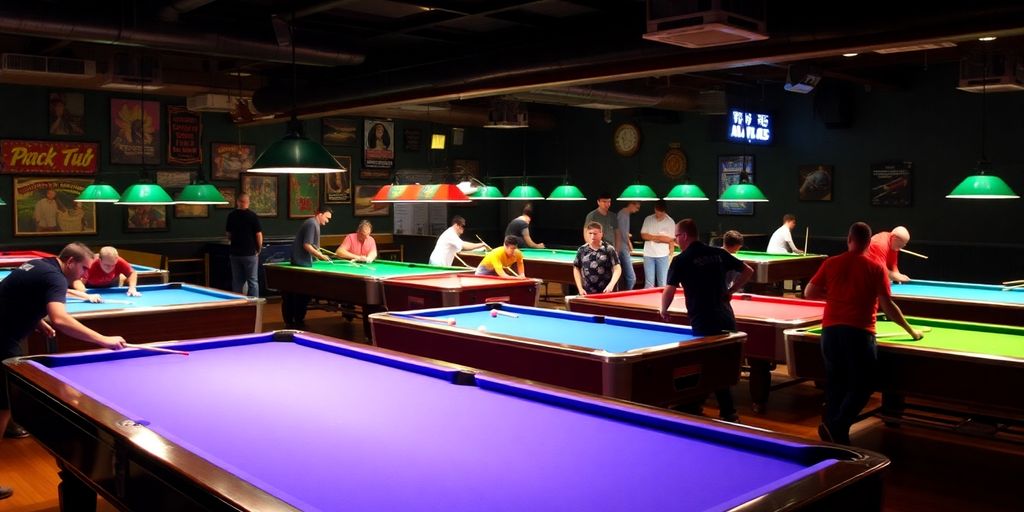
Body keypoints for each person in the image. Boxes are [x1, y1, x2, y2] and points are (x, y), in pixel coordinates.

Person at [0, 242, 127, 501]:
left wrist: (37, 321)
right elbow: (61, 318)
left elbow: (11, 296)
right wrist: (103, 339)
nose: (85, 276)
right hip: (1, 339)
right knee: (3, 406)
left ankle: (12, 422)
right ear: (69, 262)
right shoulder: (56, 277)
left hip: (4, 334)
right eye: (83, 269)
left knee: (5, 404)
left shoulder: (38, 265)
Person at [804, 222, 923, 445]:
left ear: (848, 239)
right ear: (869, 242)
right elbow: (888, 307)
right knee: (863, 386)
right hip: (859, 333)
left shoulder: (831, 262)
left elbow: (809, 292)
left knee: (836, 384)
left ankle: (835, 438)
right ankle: (837, 427)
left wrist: (833, 298)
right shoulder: (875, 267)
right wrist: (911, 330)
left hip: (829, 332)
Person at [660, 219, 753, 423]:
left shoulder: (681, 259)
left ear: (683, 236)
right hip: (726, 315)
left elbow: (669, 289)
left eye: (676, 237)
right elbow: (748, 271)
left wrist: (663, 309)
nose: (675, 241)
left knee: (711, 363)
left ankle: (728, 411)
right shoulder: (718, 253)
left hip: (703, 318)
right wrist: (731, 291)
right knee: (715, 362)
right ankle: (695, 403)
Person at [282, 207, 333, 327]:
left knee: (298, 296)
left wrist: (319, 254)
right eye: (327, 217)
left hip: (302, 263)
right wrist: (321, 256)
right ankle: (296, 322)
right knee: (301, 295)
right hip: (302, 265)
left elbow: (312, 246)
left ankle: (294, 321)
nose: (328, 220)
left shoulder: (313, 223)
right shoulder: (312, 223)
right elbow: (307, 245)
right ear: (319, 214)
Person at [225, 193, 263, 297]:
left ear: (237, 202)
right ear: (248, 202)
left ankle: (237, 303)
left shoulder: (231, 215)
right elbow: (258, 235)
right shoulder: (252, 216)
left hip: (235, 253)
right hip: (250, 253)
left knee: (237, 281)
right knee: (253, 281)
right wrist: (258, 249)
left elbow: (228, 234)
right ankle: (254, 304)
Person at [71, 246, 142, 298]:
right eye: (107, 265)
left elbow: (132, 273)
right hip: (91, 287)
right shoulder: (90, 263)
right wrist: (86, 295)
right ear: (99, 260)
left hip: (112, 285)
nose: (110, 268)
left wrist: (132, 288)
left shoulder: (119, 261)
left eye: (113, 265)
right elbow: (77, 281)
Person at [573, 222, 621, 295]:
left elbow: (617, 268)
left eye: (595, 234)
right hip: (587, 291)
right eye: (590, 233)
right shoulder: (582, 250)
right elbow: (576, 268)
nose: (592, 236)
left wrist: (611, 285)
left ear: (601, 234)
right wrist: (580, 288)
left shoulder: (608, 249)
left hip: (606, 291)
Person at [640, 200, 675, 288]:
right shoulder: (648, 219)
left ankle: (661, 301)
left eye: (661, 212)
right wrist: (658, 237)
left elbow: (671, 239)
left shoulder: (670, 221)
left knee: (662, 283)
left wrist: (652, 237)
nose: (658, 214)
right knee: (649, 283)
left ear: (664, 211)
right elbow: (643, 235)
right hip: (648, 254)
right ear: (654, 209)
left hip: (663, 255)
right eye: (657, 211)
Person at [615, 201, 641, 290]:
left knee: (625, 278)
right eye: (637, 207)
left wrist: (629, 243)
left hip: (623, 247)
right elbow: (622, 232)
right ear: (631, 204)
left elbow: (624, 232)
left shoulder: (625, 214)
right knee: (632, 278)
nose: (637, 210)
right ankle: (627, 294)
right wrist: (629, 244)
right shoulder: (623, 214)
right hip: (622, 248)